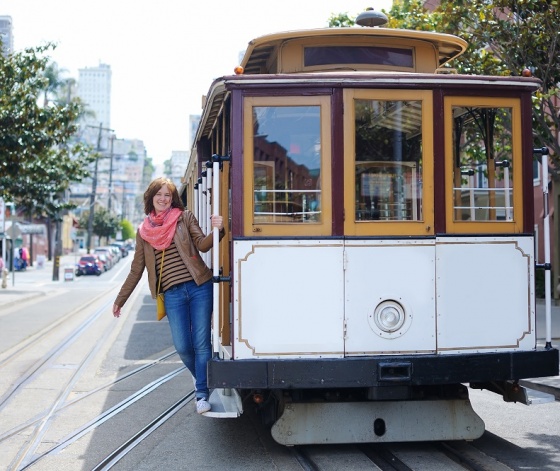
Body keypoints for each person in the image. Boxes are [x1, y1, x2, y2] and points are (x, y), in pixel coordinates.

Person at [113, 177, 225, 414]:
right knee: (183, 346)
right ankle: (202, 378)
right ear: (151, 198)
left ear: (173, 199)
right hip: (172, 294)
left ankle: (202, 394)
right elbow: (136, 269)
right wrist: (120, 299)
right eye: (159, 195)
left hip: (198, 286)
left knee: (201, 343)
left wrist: (218, 229)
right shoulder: (144, 232)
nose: (163, 199)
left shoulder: (185, 218)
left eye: (167, 195)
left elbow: (203, 245)